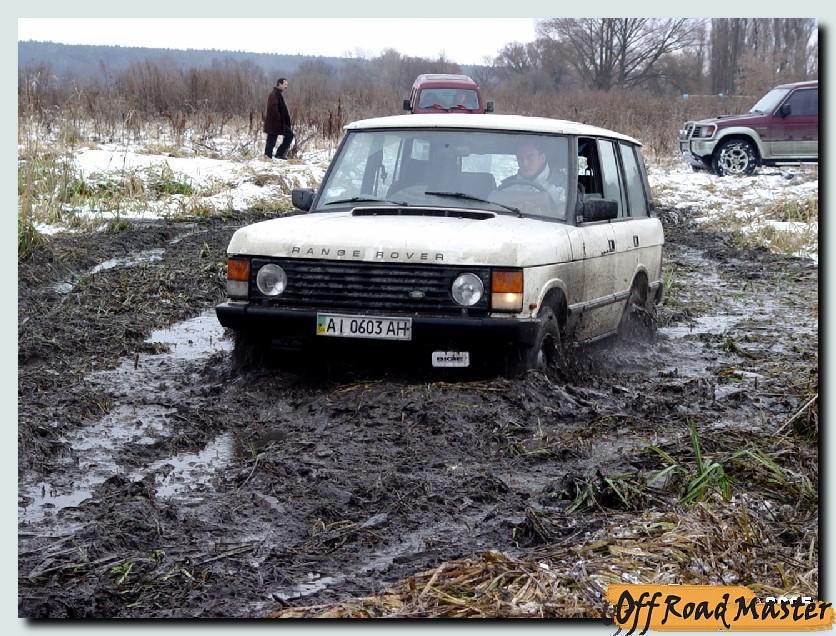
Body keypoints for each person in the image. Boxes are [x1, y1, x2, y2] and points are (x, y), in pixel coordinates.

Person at [500, 140, 565, 209]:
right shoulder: (506, 187)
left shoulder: (563, 186)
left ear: (542, 158)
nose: (524, 163)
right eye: (520, 158)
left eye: (530, 157)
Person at [264, 78, 293, 160]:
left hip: (277, 123)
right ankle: (271, 156)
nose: (286, 87)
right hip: (275, 123)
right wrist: (279, 119)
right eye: (285, 84)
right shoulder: (274, 94)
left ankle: (274, 155)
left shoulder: (277, 94)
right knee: (273, 140)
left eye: (287, 85)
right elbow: (273, 109)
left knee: (273, 139)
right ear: (279, 84)